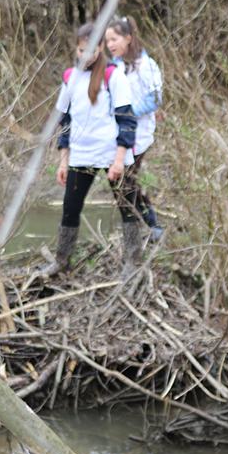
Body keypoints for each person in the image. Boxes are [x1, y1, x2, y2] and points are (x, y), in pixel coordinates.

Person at [47, 22, 145, 278]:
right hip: (81, 155)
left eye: (91, 50)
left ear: (101, 47)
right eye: (81, 51)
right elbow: (65, 122)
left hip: (113, 153)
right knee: (70, 206)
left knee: (127, 204)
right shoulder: (70, 77)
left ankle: (133, 262)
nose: (85, 56)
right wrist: (63, 161)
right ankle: (62, 261)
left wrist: (119, 161)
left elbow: (126, 119)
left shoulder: (114, 75)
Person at [105, 15, 164, 240]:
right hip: (119, 134)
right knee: (122, 182)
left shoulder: (146, 65)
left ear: (128, 38)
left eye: (114, 39)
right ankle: (142, 226)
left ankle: (151, 226)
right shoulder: (114, 65)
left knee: (127, 181)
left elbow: (154, 99)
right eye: (107, 40)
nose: (110, 45)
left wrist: (127, 111)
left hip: (139, 134)